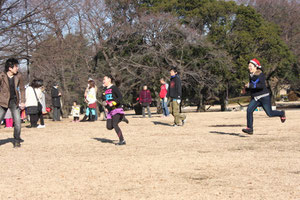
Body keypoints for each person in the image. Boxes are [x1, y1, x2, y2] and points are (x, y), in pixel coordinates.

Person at [241, 59, 286, 134]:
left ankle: (281, 113)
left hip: (264, 97)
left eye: (250, 66)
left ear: (256, 67)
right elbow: (253, 88)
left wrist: (250, 85)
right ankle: (250, 129)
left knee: (270, 113)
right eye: (248, 66)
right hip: (256, 98)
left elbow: (261, 86)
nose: (249, 67)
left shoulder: (261, 75)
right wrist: (246, 89)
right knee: (249, 110)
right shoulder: (250, 75)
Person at [0, 58, 25, 147]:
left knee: (18, 121)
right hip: (3, 102)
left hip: (14, 101)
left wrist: (23, 101)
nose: (17, 68)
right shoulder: (2, 76)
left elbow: (22, 89)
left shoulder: (19, 76)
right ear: (10, 68)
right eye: (16, 66)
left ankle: (17, 140)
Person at [103, 75, 129, 145]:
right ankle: (122, 118)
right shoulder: (105, 89)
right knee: (109, 127)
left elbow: (120, 97)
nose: (103, 81)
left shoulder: (114, 88)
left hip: (117, 109)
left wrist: (114, 103)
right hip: (110, 110)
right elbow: (106, 100)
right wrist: (106, 107)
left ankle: (122, 140)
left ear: (109, 79)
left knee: (115, 125)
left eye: (104, 79)